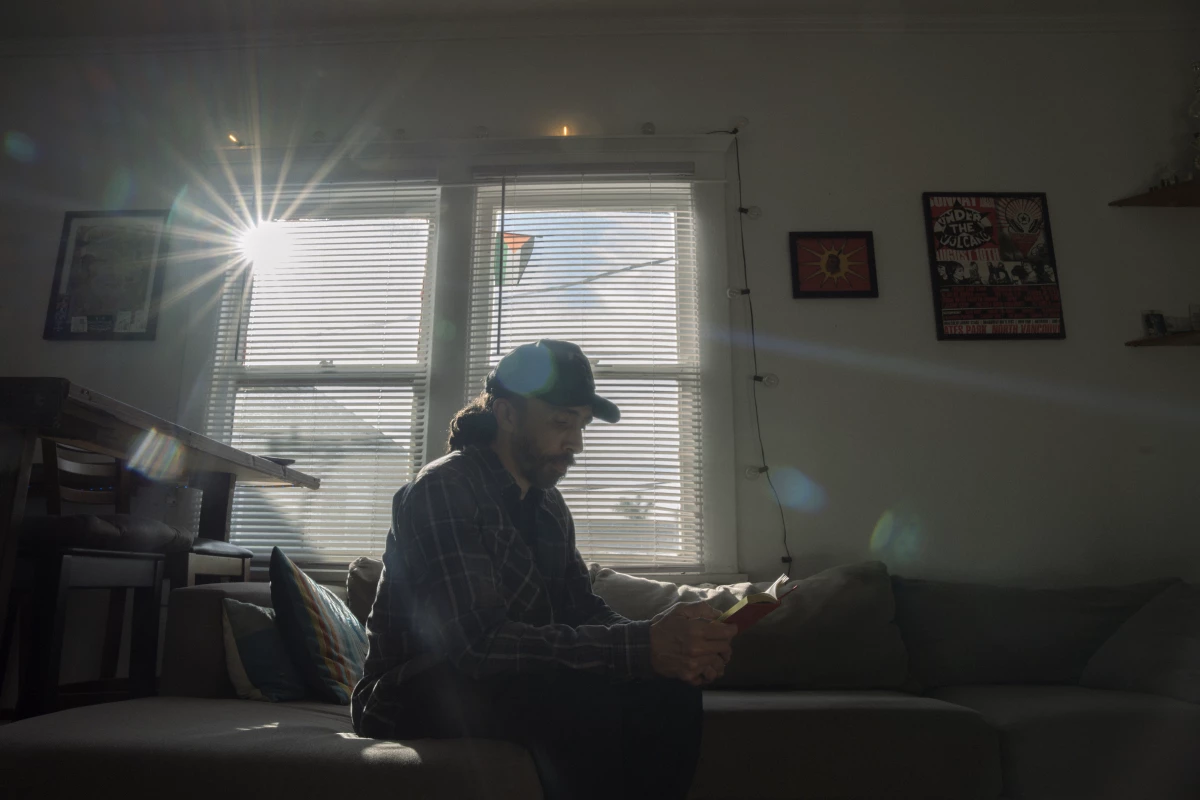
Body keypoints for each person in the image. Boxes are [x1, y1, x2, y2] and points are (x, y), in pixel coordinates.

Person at [352, 339, 736, 800]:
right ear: (507, 414)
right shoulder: (443, 488)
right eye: (561, 421)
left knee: (669, 692)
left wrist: (663, 642)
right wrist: (639, 646)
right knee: (579, 699)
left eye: (582, 425)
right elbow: (478, 644)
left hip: (507, 677)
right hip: (411, 688)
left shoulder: (549, 504)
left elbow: (582, 608)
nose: (575, 442)